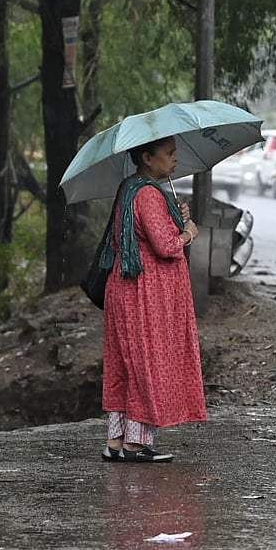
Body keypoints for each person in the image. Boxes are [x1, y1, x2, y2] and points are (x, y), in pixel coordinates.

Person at [100, 136, 205, 463]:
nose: (174, 160)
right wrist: (188, 231)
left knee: (126, 364)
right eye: (169, 154)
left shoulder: (130, 188)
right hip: (146, 292)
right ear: (147, 157)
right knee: (148, 361)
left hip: (125, 287)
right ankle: (135, 444)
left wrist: (174, 212)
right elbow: (165, 246)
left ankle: (116, 441)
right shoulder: (148, 194)